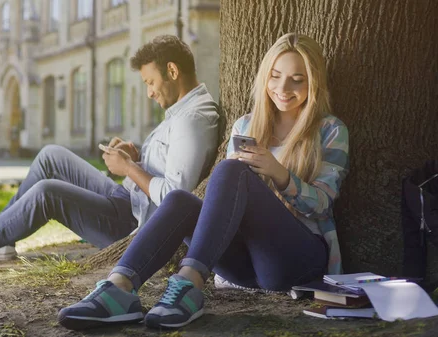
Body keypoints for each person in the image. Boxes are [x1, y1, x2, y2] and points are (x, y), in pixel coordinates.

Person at [57, 33, 350, 330]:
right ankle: (118, 289)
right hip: (245, 265)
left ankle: (188, 285)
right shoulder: (246, 125)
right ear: (265, 77)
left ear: (313, 83)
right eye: (275, 76)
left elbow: (322, 205)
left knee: (230, 171)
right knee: (180, 200)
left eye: (297, 80)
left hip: (297, 259)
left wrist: (279, 173)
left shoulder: (330, 131)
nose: (283, 88)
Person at [0, 35, 220, 272]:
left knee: (46, 193)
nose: (149, 92)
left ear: (173, 71)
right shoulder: (183, 110)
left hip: (131, 224)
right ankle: (1, 239)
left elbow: (176, 198)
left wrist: (128, 168)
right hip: (128, 200)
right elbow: (168, 169)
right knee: (51, 154)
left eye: (151, 82)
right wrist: (136, 157)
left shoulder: (193, 121)